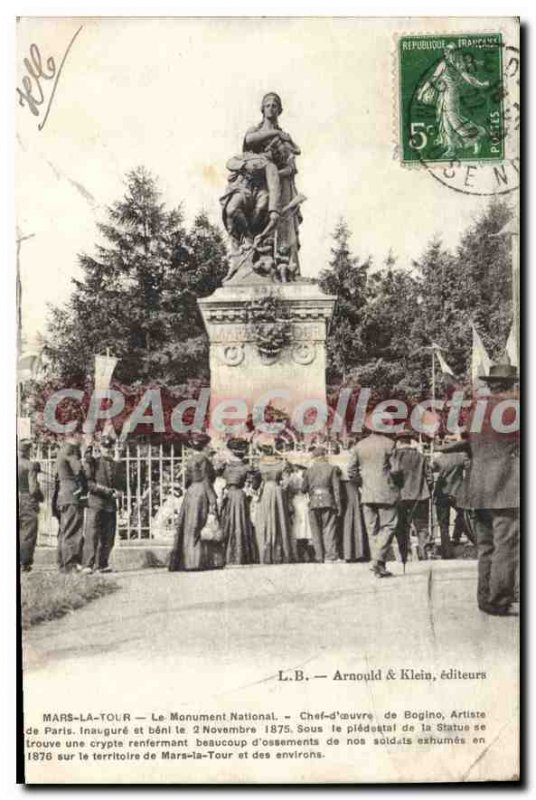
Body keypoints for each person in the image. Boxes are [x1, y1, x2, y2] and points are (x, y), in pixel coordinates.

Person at [439, 360, 519, 616]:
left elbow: (470, 443)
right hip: (508, 487)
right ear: (512, 385)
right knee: (506, 545)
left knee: (486, 546)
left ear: (492, 385)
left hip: (478, 487)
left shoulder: (477, 410)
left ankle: (485, 598)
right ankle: (499, 599)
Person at [221, 92, 302, 271]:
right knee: (233, 209)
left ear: (279, 110)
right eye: (267, 105)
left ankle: (267, 256)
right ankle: (247, 243)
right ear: (262, 109)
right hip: (249, 181)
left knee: (265, 211)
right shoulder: (256, 131)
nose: (271, 108)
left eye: (274, 105)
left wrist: (274, 173)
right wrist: (277, 134)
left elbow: (291, 164)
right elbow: (248, 141)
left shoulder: (284, 139)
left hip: (273, 182)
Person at [348, 419, 400, 578]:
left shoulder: (359, 445)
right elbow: (396, 470)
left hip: (367, 493)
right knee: (389, 526)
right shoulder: (390, 444)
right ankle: (378, 560)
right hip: (386, 492)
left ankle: (378, 565)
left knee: (372, 530)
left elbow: (351, 471)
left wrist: (362, 483)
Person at [169, 433, 223, 572]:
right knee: (197, 526)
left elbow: (186, 480)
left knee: (188, 525)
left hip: (191, 492)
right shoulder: (204, 460)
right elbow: (206, 479)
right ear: (204, 446)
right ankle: (194, 562)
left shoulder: (190, 460)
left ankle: (185, 560)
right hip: (201, 492)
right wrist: (212, 499)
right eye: (207, 445)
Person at [81, 436, 123, 574]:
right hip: (96, 503)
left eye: (109, 447)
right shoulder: (93, 462)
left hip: (110, 505)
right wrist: (106, 491)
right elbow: (89, 484)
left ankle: (102, 564)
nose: (107, 450)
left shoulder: (116, 464)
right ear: (100, 447)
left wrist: (119, 492)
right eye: (105, 447)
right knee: (92, 534)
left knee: (108, 536)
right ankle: (88, 564)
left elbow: (120, 484)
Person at [393, 431, 434, 562]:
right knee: (422, 526)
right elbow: (429, 478)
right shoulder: (421, 457)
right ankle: (424, 554)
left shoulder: (395, 456)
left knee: (402, 526)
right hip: (420, 496)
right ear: (410, 441)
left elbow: (392, 476)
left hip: (401, 496)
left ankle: (406, 554)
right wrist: (427, 490)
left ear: (399, 442)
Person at [254, 438, 294, 564]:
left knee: (265, 520)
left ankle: (266, 552)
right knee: (279, 519)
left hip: (266, 491)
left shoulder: (259, 464)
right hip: (277, 492)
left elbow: (255, 484)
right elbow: (287, 481)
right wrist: (282, 488)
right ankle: (281, 552)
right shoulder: (281, 463)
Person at [432, 445, 474, 558]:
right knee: (463, 515)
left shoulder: (439, 458)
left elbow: (432, 468)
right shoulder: (462, 457)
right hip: (457, 491)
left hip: (442, 493)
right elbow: (470, 467)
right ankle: (457, 536)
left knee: (443, 524)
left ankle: (447, 552)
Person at [302, 446, 342, 563]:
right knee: (329, 529)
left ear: (314, 457)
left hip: (313, 502)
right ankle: (331, 556)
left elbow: (303, 488)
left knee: (316, 531)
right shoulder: (332, 468)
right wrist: (338, 505)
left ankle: (319, 556)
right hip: (328, 501)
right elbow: (336, 489)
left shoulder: (308, 471)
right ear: (324, 455)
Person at [221, 438, 256, 565]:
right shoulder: (246, 467)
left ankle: (228, 554)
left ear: (231, 452)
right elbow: (253, 483)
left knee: (229, 522)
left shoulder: (225, 467)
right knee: (241, 522)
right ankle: (242, 554)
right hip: (240, 496)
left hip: (229, 495)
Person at [332, 442, 369, 563]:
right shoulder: (354, 457)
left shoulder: (334, 459)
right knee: (356, 519)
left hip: (340, 489)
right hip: (352, 488)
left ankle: (345, 552)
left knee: (343, 520)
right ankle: (359, 551)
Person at [55, 435, 87, 572]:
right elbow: (78, 469)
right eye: (82, 436)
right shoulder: (71, 450)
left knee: (64, 530)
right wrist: (83, 485)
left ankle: (63, 563)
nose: (83, 439)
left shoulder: (62, 450)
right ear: (75, 436)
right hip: (72, 495)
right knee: (73, 530)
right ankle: (71, 565)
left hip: (63, 495)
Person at [18, 439, 43, 572]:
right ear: (29, 450)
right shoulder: (30, 465)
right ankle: (24, 562)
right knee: (28, 532)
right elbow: (33, 489)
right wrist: (40, 497)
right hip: (26, 500)